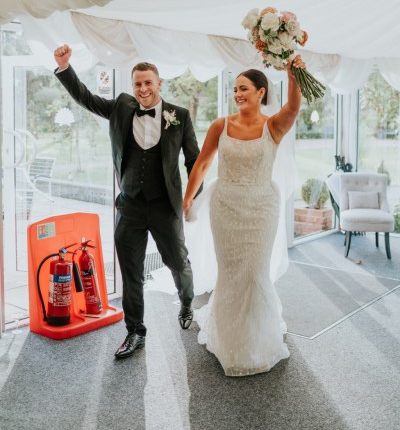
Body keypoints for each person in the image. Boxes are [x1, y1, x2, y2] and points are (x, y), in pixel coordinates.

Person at [53, 45, 201, 359]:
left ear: (160, 83)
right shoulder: (121, 107)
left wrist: (192, 198)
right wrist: (65, 67)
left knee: (178, 262)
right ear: (132, 87)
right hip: (131, 206)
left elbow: (194, 160)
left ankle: (187, 301)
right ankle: (135, 332)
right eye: (138, 84)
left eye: (148, 83)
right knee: (131, 272)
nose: (143, 89)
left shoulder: (180, 117)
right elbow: (87, 98)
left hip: (165, 206)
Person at [183, 56, 304, 376]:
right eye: (235, 89)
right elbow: (202, 164)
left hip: (262, 208)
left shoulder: (273, 126)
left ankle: (259, 339)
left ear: (261, 92)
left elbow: (293, 107)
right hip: (225, 207)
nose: (238, 93)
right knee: (232, 272)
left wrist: (294, 74)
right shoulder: (220, 125)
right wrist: (188, 197)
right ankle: (229, 339)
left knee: (254, 271)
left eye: (244, 88)